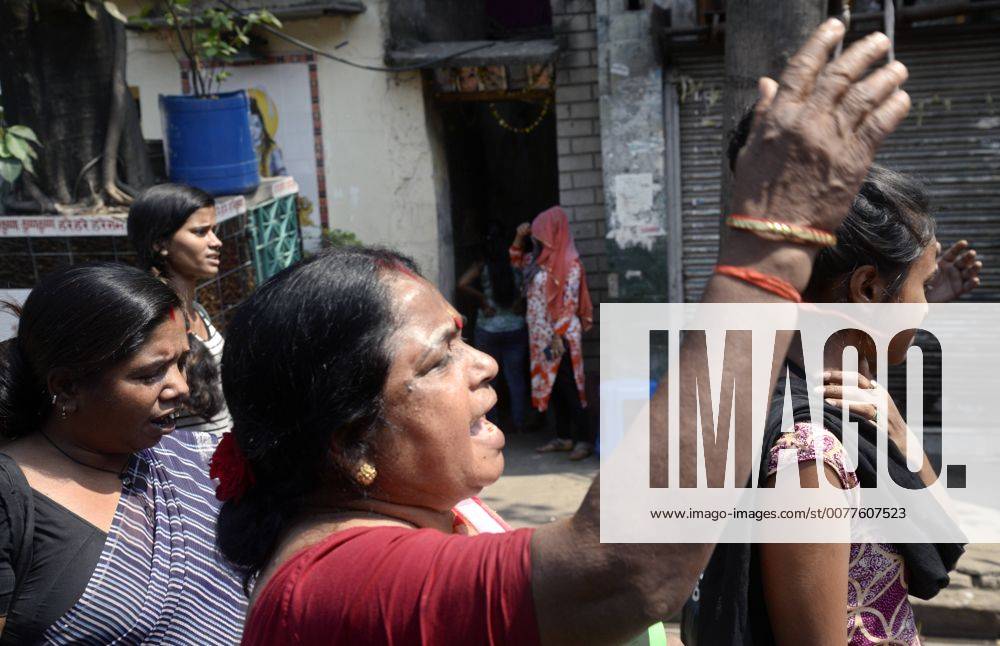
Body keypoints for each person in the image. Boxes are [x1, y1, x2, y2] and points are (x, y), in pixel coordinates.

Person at [214, 20, 913, 645]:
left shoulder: (425, 521)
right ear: (349, 443)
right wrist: (772, 242)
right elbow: (626, 571)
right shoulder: (338, 586)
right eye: (437, 361)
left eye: (463, 339)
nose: (484, 365)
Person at [695, 114, 976, 645]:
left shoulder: (843, 400)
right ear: (869, 289)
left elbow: (943, 539)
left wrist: (901, 434)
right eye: (924, 286)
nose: (927, 308)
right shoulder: (812, 459)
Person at [0, 263, 246, 643]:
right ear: (67, 387)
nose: (180, 387)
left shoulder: (192, 462)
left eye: (181, 362)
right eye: (151, 374)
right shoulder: (11, 497)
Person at [128, 183, 231, 462]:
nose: (216, 242)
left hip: (220, 466)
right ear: (160, 244)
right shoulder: (153, 321)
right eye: (200, 232)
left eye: (214, 230)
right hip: (187, 473)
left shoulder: (197, 311)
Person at [511, 206, 595, 460]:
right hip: (541, 337)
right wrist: (519, 237)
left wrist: (558, 335)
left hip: (561, 337)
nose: (538, 238)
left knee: (570, 386)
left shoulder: (570, 263)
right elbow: (515, 262)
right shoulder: (537, 261)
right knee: (554, 386)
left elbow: (568, 301)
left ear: (553, 232)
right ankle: (563, 437)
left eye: (541, 233)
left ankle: (584, 439)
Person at [457, 221, 530, 433]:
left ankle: (492, 424)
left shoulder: (483, 265)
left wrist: (483, 299)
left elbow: (462, 283)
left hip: (488, 329)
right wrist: (520, 301)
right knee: (516, 378)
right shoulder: (517, 263)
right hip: (515, 327)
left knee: (489, 381)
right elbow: (531, 283)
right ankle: (519, 422)